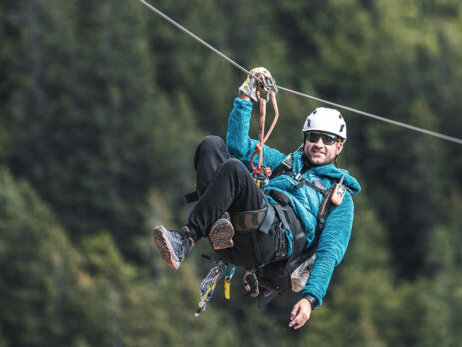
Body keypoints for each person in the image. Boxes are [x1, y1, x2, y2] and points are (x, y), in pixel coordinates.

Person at [152, 68, 360, 329]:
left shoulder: (339, 197)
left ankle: (187, 237)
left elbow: (330, 252)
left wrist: (310, 299)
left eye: (327, 139)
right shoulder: (285, 163)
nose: (318, 143)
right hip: (243, 228)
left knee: (234, 170)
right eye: (313, 137)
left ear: (339, 146)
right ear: (305, 139)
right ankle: (219, 225)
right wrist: (245, 96)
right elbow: (238, 146)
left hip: (272, 239)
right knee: (211, 145)